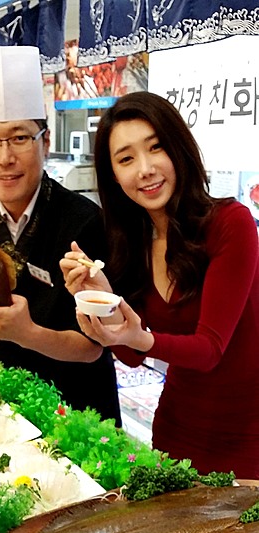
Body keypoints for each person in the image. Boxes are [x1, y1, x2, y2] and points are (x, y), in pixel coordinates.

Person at [61, 91, 259, 478]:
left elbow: (209, 350)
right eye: (126, 159)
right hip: (176, 428)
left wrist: (142, 338)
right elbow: (131, 355)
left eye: (156, 148)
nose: (145, 169)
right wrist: (100, 298)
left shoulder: (230, 223)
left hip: (247, 435)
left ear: (178, 148)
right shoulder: (132, 244)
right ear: (113, 175)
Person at [0, 45, 121, 422]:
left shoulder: (84, 221)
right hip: (2, 404)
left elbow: (93, 346)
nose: (4, 157)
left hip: (79, 407)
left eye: (19, 138)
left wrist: (25, 332)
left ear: (45, 142)